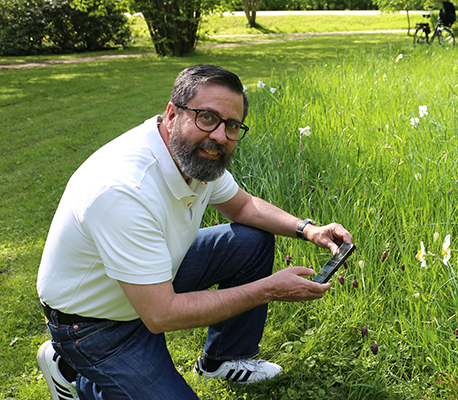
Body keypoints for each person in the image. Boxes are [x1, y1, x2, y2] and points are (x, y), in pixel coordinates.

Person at [35, 64, 354, 400]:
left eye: (232, 125)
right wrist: (268, 290)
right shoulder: (123, 189)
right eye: (207, 117)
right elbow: (162, 314)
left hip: (150, 281)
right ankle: (75, 369)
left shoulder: (195, 157)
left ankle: (221, 359)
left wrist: (308, 230)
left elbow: (244, 207)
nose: (219, 135)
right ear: (173, 114)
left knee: (251, 240)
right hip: (93, 323)